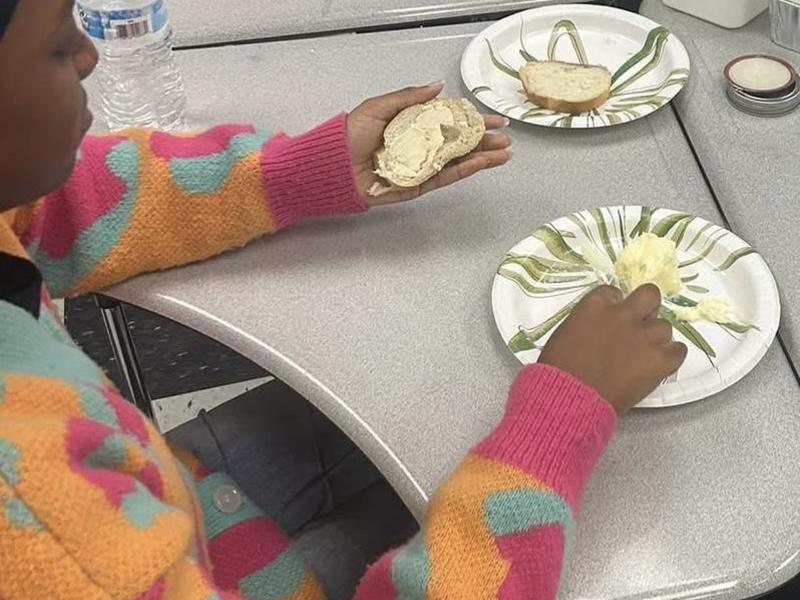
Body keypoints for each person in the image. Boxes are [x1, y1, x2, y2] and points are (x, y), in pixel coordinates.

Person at [0, 0, 687, 598]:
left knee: (427, 410)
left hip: (165, 498)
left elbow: (58, 208)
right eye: (61, 42)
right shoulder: (39, 535)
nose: (91, 57)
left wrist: (293, 175)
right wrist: (557, 422)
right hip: (165, 557)